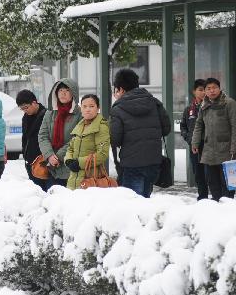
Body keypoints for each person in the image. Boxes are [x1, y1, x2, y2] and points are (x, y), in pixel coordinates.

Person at [109, 69, 172, 198]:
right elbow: (166, 129)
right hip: (153, 161)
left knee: (132, 205)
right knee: (145, 203)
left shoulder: (118, 108)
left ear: (120, 89)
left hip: (132, 164)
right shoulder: (154, 102)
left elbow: (115, 139)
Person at [191, 77, 236, 201]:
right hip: (209, 150)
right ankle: (216, 206)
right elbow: (199, 124)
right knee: (212, 182)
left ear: (219, 89)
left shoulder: (229, 103)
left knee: (227, 182)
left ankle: (227, 207)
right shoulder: (205, 104)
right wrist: (195, 142)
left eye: (214, 88)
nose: (212, 91)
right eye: (208, 88)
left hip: (226, 149)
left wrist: (234, 148)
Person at [38, 79, 82, 188]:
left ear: (74, 93)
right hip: (52, 168)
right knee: (53, 200)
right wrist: (49, 155)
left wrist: (57, 157)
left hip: (71, 165)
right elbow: (42, 135)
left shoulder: (79, 113)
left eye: (67, 90)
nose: (63, 93)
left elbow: (77, 138)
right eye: (60, 90)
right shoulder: (50, 112)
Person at [64, 95, 111, 190]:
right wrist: (68, 160)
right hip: (73, 178)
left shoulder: (101, 127)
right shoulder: (79, 126)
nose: (87, 109)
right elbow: (70, 148)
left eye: (91, 106)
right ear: (81, 109)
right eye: (84, 106)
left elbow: (102, 154)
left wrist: (79, 163)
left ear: (98, 108)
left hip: (91, 179)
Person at [181, 79, 209, 200]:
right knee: (198, 173)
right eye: (200, 90)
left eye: (205, 90)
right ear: (194, 92)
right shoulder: (189, 109)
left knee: (210, 172)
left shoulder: (211, 107)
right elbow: (183, 126)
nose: (203, 93)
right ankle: (202, 197)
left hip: (209, 145)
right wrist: (189, 139)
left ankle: (216, 197)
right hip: (194, 147)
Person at [16, 89, 48, 190]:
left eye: (26, 107)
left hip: (43, 163)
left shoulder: (46, 115)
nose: (25, 111)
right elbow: (25, 138)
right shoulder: (25, 117)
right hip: (30, 163)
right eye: (22, 109)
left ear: (34, 102)